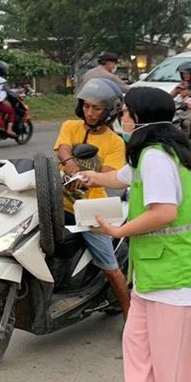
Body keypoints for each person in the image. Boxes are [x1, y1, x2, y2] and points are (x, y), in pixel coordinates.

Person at [81, 87, 191, 382]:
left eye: (125, 112)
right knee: (140, 347)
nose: (121, 117)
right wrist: (89, 178)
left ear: (139, 117)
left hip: (182, 278)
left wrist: (117, 231)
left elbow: (164, 212)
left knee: (175, 355)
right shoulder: (149, 155)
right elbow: (123, 178)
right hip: (157, 276)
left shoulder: (157, 158)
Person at [55, 77, 130, 318]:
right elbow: (63, 148)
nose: (90, 112)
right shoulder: (70, 126)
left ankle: (131, 317)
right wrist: (71, 167)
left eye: (96, 108)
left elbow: (109, 174)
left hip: (94, 208)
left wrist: (88, 178)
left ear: (108, 111)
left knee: (110, 268)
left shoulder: (115, 142)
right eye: (86, 106)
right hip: (60, 200)